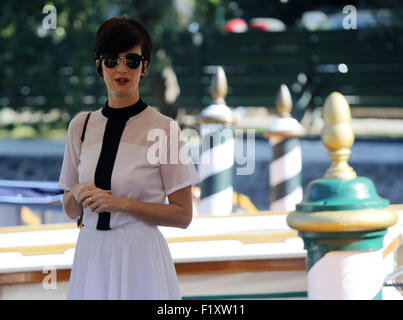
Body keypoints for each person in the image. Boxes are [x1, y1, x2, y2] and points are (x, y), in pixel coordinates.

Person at [58, 15, 200, 300]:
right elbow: (71, 211)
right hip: (91, 255)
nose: (121, 68)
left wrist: (121, 204)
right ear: (99, 65)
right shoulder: (80, 126)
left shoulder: (164, 129)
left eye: (132, 60)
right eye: (111, 59)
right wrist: (77, 192)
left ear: (144, 67)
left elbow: (183, 215)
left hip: (140, 259)